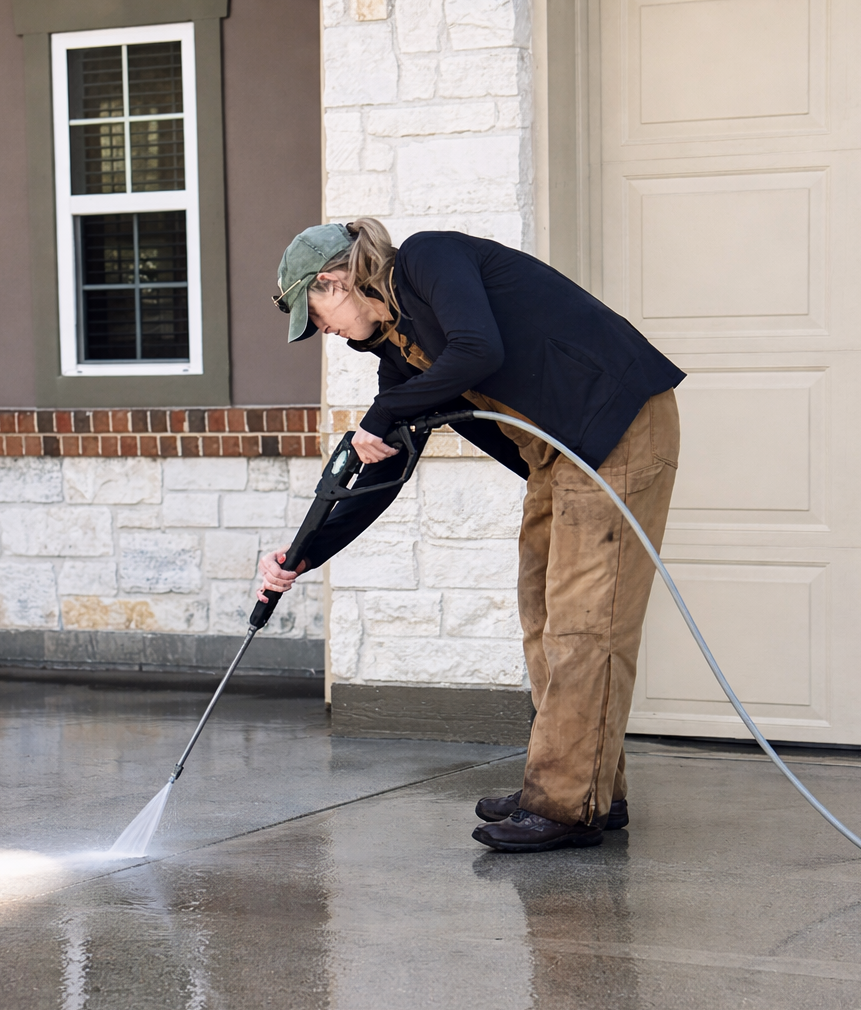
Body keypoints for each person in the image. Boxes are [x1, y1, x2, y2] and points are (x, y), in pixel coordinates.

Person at [259, 219, 684, 853]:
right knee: (544, 617)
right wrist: (301, 556)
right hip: (558, 457)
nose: (321, 329)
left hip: (616, 432)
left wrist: (386, 413)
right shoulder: (399, 353)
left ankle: (564, 805)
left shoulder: (430, 260)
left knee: (586, 624)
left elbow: (478, 348)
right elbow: (388, 470)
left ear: (336, 279)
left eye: (315, 312)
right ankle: (587, 786)